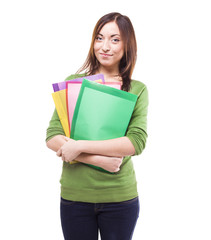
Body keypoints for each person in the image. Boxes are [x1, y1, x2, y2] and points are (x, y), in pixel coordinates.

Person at [46, 12, 148, 240]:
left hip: (120, 198)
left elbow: (135, 142)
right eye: (99, 38)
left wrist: (79, 146)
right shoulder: (75, 82)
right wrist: (97, 159)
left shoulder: (137, 89)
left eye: (115, 39)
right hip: (75, 197)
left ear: (127, 45)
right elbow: (53, 135)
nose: (105, 46)